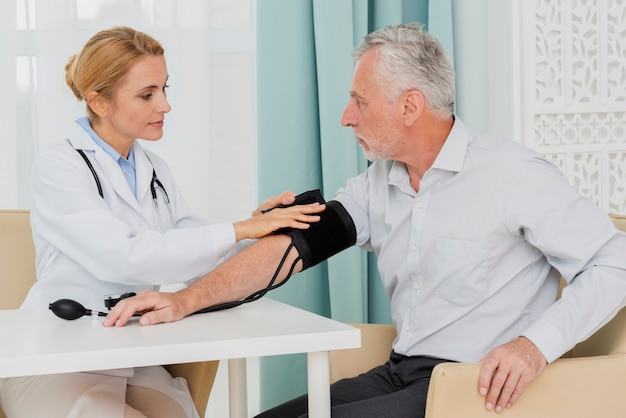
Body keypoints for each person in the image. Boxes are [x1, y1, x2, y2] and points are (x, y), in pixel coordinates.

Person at [103, 22, 626, 417]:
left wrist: (534, 346)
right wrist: (185, 299)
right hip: (399, 375)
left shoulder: (512, 175)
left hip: (469, 390)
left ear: (409, 106)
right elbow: (295, 245)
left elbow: (615, 263)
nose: (346, 117)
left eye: (359, 101)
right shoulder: (381, 182)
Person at [0, 26, 325, 418]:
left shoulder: (155, 170)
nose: (165, 106)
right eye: (147, 94)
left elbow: (198, 256)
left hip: (132, 350)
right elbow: (124, 257)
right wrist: (237, 228)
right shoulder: (58, 167)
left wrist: (258, 228)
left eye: (165, 89)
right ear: (99, 102)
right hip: (58, 354)